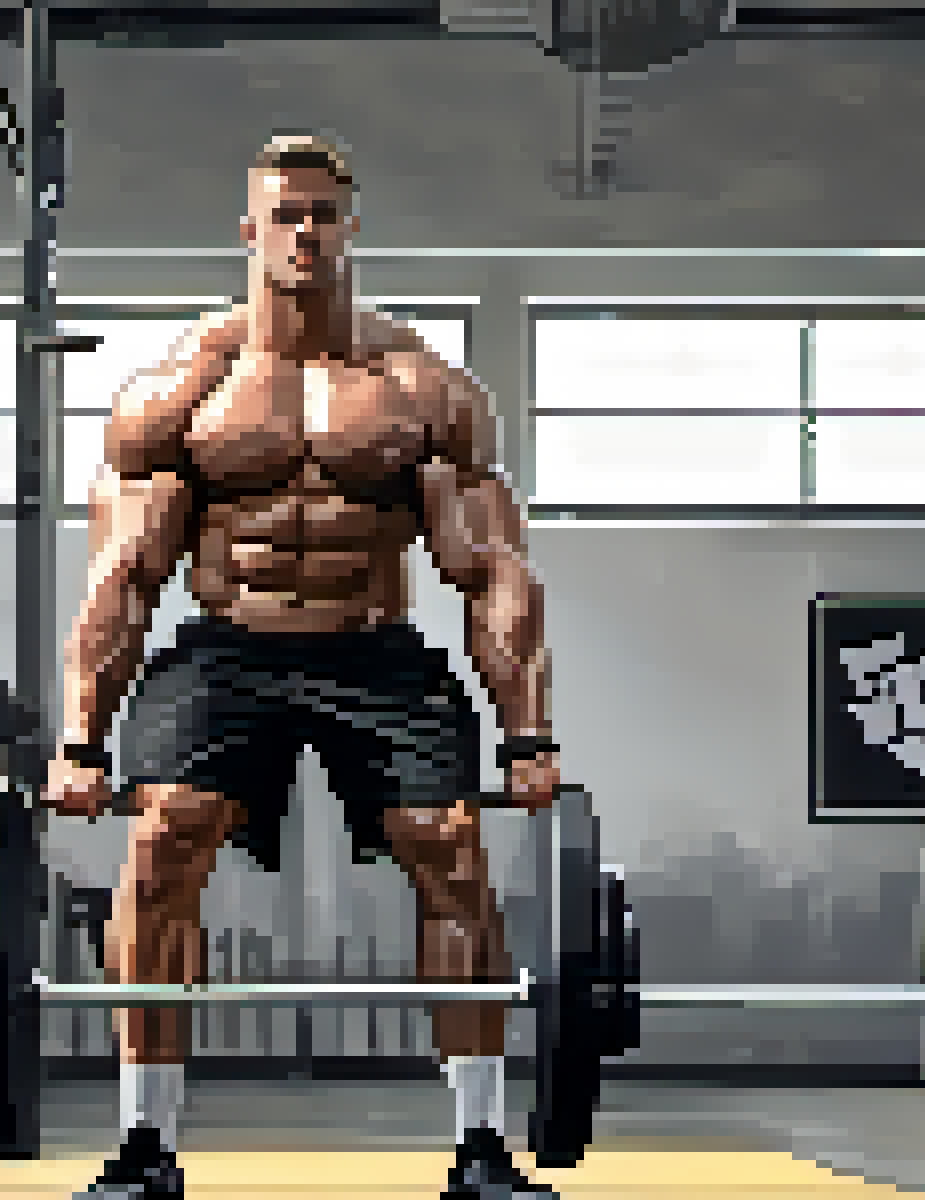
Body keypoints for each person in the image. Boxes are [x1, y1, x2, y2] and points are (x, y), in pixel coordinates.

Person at [42, 132, 563, 1200]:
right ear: (250, 232)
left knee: (452, 848)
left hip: (374, 649)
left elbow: (492, 568)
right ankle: (146, 1145)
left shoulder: (424, 391)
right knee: (162, 843)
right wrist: (81, 740)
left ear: (351, 228)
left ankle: (480, 1148)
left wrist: (529, 735)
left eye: (324, 214)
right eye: (287, 215)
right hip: (230, 650)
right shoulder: (180, 393)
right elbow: (126, 575)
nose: (306, 233)